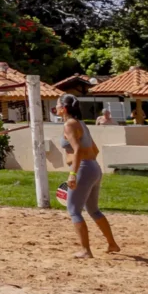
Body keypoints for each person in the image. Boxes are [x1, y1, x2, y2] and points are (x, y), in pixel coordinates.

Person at [58, 94, 119, 258]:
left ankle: (86, 250)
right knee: (93, 210)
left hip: (83, 169)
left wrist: (73, 174)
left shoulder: (69, 124)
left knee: (73, 210)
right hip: (93, 167)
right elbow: (95, 149)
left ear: (63, 109)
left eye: (57, 106)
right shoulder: (81, 124)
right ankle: (112, 244)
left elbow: (77, 150)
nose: (55, 109)